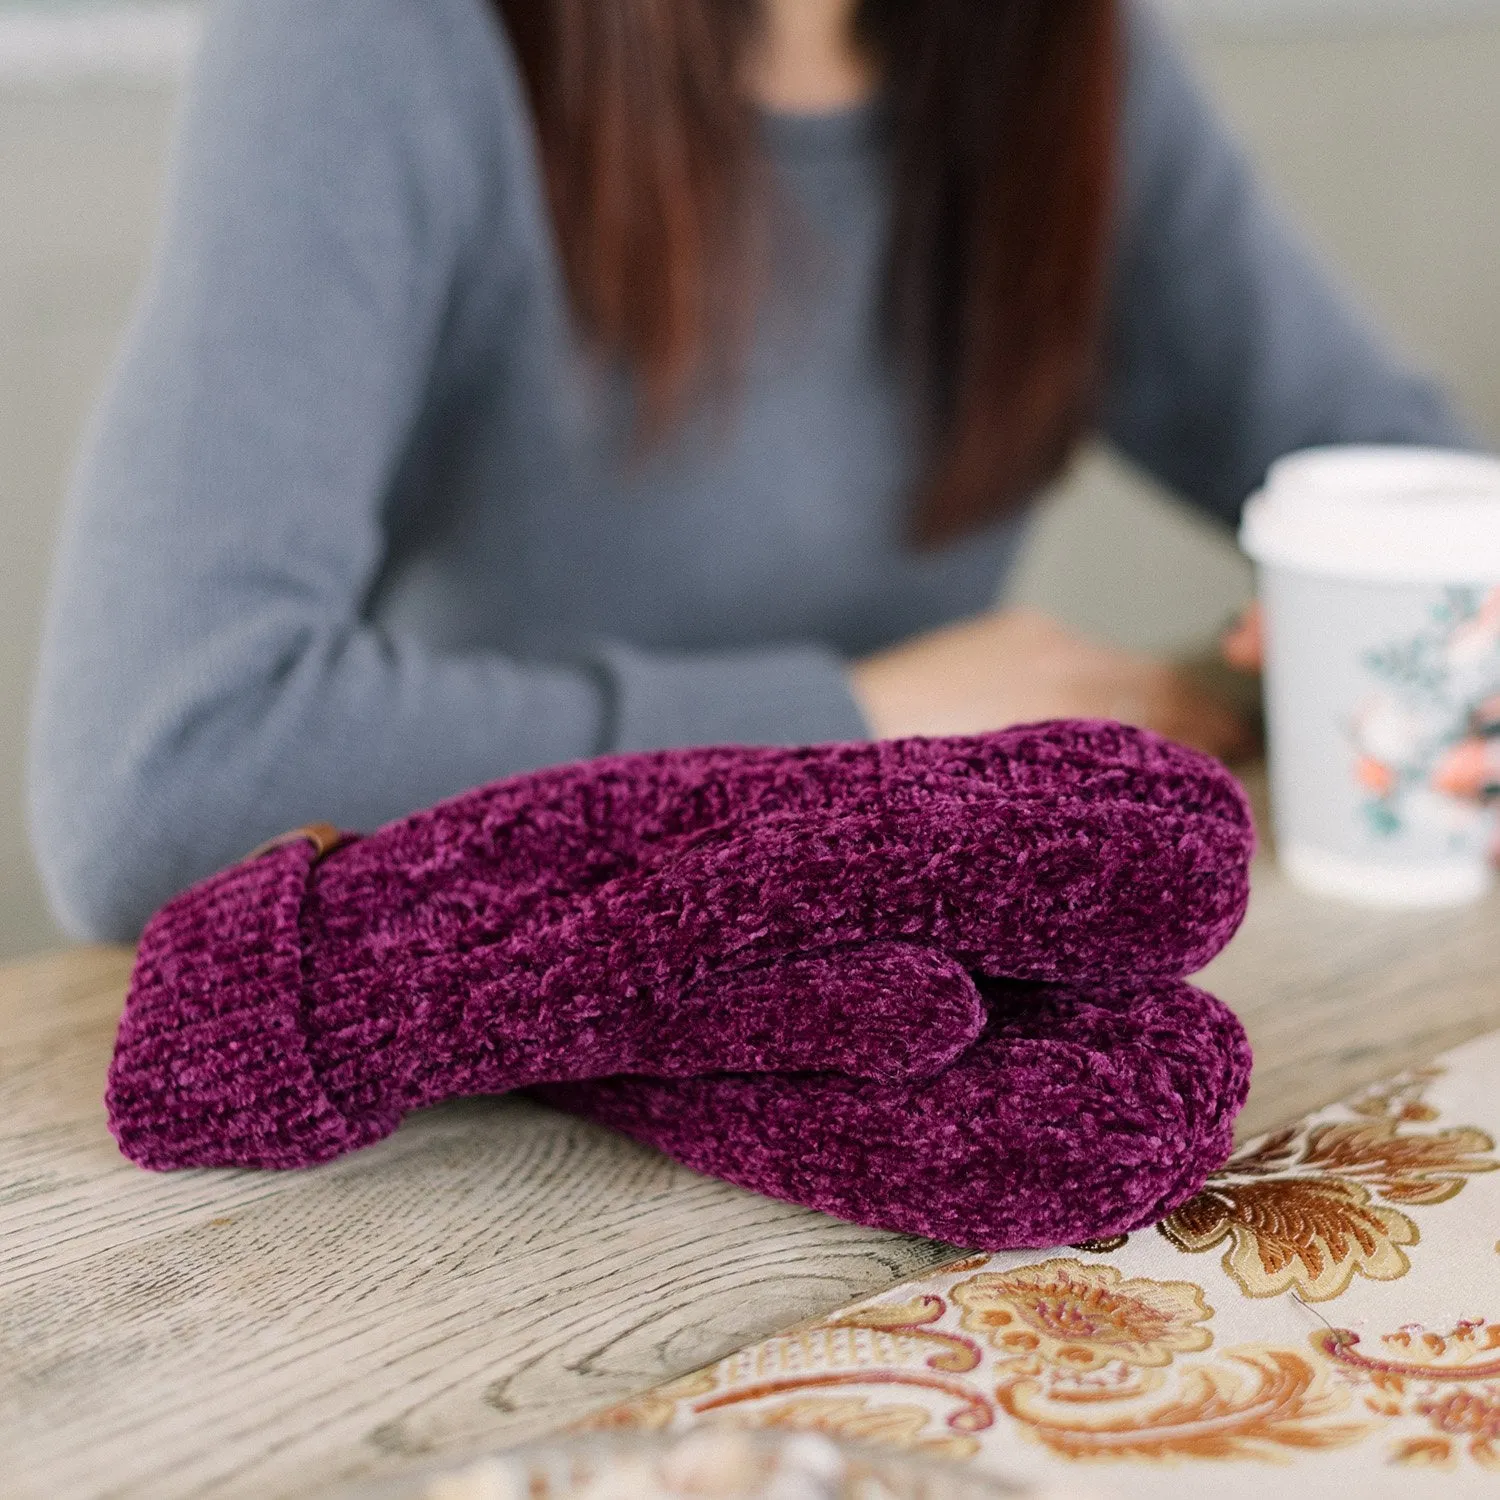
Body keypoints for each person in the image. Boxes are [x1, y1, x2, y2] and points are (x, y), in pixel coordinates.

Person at [29, 0, 1470, 942]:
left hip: (914, 997)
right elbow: (156, 774)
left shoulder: (1060, 58)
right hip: (493, 1070)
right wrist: (850, 722)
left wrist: (1380, 643)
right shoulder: (375, 42)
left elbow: (1409, 481)